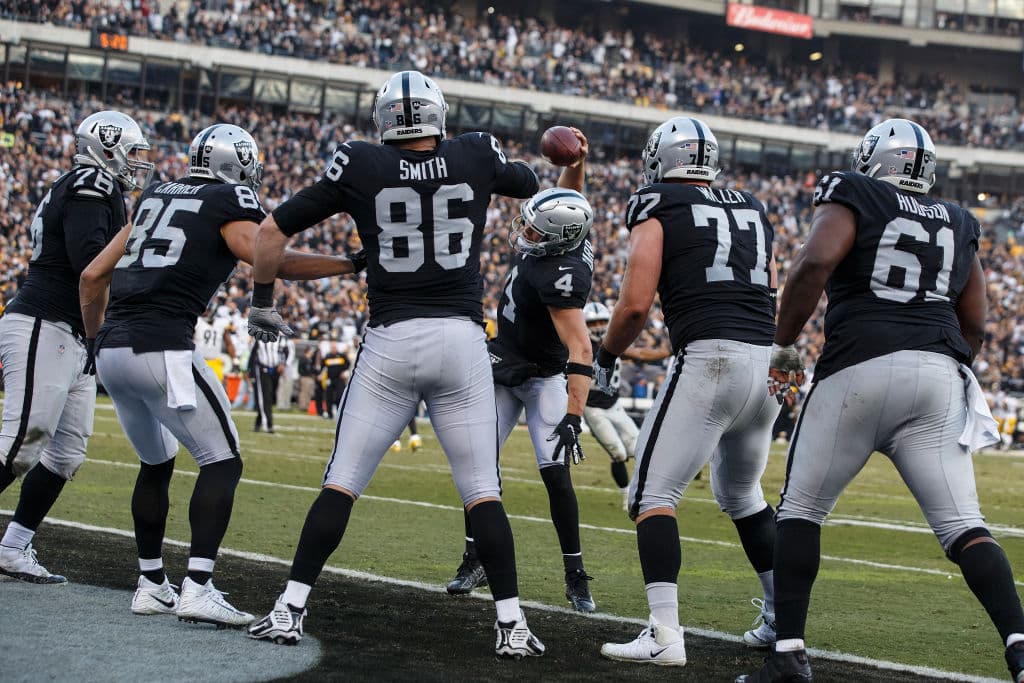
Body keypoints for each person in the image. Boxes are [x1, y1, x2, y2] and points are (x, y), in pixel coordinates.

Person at [243, 70, 545, 658]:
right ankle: (511, 625)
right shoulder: (476, 150)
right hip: (461, 339)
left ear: (383, 121)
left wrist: (261, 303)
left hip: (391, 340)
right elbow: (530, 181)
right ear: (438, 114)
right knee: (483, 492)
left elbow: (273, 229)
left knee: (341, 482)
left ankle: (288, 610)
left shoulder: (358, 162)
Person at [737, 119, 1024, 683]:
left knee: (800, 511)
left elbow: (815, 262)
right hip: (940, 372)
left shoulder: (854, 189)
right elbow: (977, 321)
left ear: (874, 159)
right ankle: (1019, 644)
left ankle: (789, 654)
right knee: (965, 526)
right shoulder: (961, 219)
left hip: (860, 366)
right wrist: (941, 363)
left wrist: (784, 345)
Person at [79, 123, 361, 628]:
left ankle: (150, 584)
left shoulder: (154, 193)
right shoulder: (228, 199)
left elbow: (92, 276)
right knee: (223, 462)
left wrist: (96, 340)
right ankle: (198, 587)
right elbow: (267, 255)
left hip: (114, 348)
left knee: (156, 462)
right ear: (240, 165)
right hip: (162, 344)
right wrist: (348, 264)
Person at [595, 117, 782, 665]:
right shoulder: (752, 205)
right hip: (766, 361)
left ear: (660, 160)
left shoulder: (656, 202)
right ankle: (779, 620)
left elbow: (634, 304)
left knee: (650, 496)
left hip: (710, 360)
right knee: (744, 496)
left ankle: (664, 635)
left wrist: (605, 359)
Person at [445, 129, 597, 613]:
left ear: (556, 242)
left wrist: (575, 414)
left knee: (555, 475)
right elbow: (569, 199)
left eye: (534, 231)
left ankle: (575, 575)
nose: (524, 233)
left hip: (543, 375)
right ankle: (475, 558)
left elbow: (580, 345)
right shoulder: (566, 232)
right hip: (504, 361)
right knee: (478, 464)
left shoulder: (557, 274)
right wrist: (577, 162)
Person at [0, 110, 151, 584]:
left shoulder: (102, 188)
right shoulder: (93, 183)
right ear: (106, 148)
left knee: (65, 452)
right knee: (23, 440)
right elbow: (92, 268)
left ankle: (13, 547)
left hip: (75, 330)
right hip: (48, 321)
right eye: (133, 152)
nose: (139, 162)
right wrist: (99, 331)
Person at [580, 301, 670, 511]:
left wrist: (667, 352)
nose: (599, 327)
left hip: (614, 405)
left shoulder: (612, 344)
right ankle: (625, 494)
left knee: (638, 448)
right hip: (592, 408)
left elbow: (640, 355)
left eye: (602, 321)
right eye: (593, 323)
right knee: (618, 453)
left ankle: (644, 491)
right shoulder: (579, 349)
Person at [250, 335, 290, 433]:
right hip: (263, 370)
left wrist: (283, 364)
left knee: (270, 398)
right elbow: (253, 354)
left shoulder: (281, 338)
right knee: (265, 397)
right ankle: (268, 424)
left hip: (275, 371)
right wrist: (250, 372)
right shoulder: (259, 338)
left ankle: (258, 423)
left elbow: (285, 351)